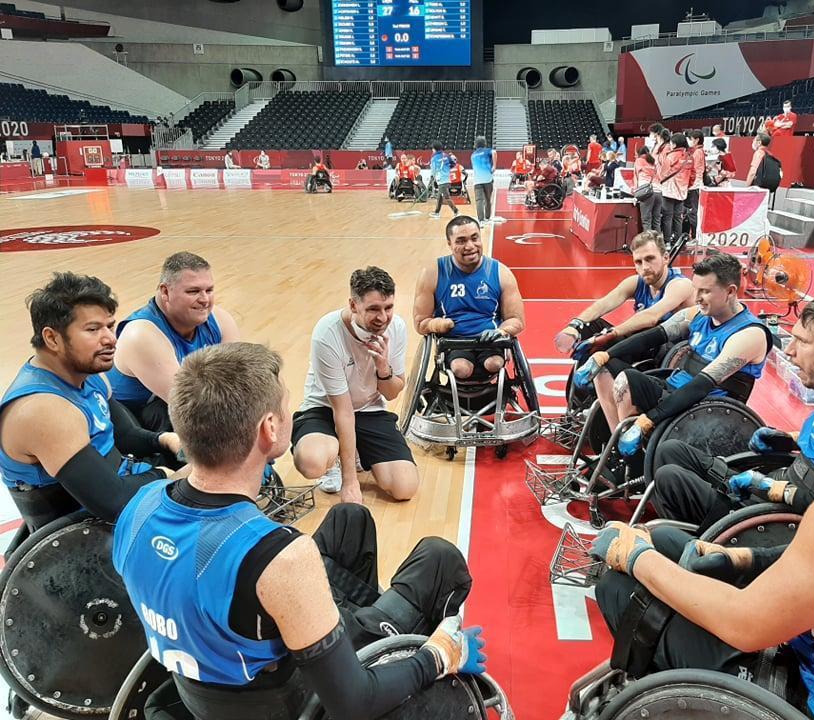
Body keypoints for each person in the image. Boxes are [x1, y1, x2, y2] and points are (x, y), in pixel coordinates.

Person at [590, 283, 814, 720]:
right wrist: (747, 558)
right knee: (672, 543)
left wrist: (635, 558)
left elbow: (746, 625)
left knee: (622, 583)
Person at [113, 342, 485, 720]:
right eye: (286, 405)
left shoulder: (139, 506)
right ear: (269, 428)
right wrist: (438, 655)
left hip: (207, 691)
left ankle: (362, 624)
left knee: (349, 519)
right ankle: (389, 641)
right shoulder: (280, 558)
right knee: (439, 559)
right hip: (300, 700)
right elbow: (354, 703)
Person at [650, 295, 814, 532]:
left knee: (671, 481)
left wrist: (777, 489)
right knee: (671, 451)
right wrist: (785, 440)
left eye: (802, 342)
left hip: (777, 517)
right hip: (771, 486)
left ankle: (703, 544)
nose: (789, 350)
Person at [0, 273, 176, 532]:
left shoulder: (88, 375)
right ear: (52, 338)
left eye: (110, 326)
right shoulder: (42, 409)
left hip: (119, 492)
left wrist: (165, 440)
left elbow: (125, 436)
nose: (110, 339)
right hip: (82, 535)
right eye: (93, 329)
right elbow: (112, 502)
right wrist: (167, 475)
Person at [584, 253, 772, 445]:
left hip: (703, 408)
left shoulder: (750, 335)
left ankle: (629, 457)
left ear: (731, 291)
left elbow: (701, 385)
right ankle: (617, 446)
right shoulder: (697, 315)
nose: (697, 298)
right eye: (695, 290)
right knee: (606, 367)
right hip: (674, 390)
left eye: (705, 291)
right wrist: (606, 353)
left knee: (627, 381)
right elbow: (652, 336)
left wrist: (650, 418)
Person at [293, 267, 418, 504]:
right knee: (312, 462)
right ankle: (338, 459)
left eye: (388, 307)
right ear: (353, 305)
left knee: (405, 488)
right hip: (326, 409)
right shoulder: (327, 333)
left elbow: (392, 393)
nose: (382, 317)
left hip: (369, 409)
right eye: (373, 309)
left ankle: (356, 450)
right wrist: (349, 482)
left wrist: (383, 370)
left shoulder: (397, 328)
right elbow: (343, 410)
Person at [108, 252, 240, 434]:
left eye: (209, 290)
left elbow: (238, 384)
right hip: (130, 429)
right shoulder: (141, 334)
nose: (204, 300)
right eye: (193, 291)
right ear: (165, 292)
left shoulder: (219, 319)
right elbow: (192, 408)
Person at [555, 230, 694, 376]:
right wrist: (575, 325)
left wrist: (610, 334)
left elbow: (651, 317)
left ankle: (601, 373)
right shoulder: (636, 282)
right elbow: (603, 304)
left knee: (615, 342)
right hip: (640, 345)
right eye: (638, 262)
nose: (644, 267)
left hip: (666, 351)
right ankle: (586, 385)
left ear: (666, 258)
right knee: (590, 326)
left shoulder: (679, 284)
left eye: (650, 259)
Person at [413, 215, 524, 379]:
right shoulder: (432, 273)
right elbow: (420, 322)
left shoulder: (501, 273)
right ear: (449, 244)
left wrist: (501, 331)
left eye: (474, 238)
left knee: (493, 364)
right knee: (461, 368)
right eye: (461, 241)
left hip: (490, 341)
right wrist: (439, 324)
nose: (470, 246)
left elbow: (517, 320)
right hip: (454, 342)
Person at [659, 133, 692, 245]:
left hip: (669, 190)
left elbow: (663, 173)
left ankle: (667, 241)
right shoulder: (689, 156)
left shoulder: (671, 156)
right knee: (678, 218)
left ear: (675, 143)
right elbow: (692, 175)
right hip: (682, 192)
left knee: (668, 217)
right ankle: (678, 241)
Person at [429, 143, 459, 219]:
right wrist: (447, 169)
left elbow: (433, 169)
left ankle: (456, 211)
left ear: (435, 149)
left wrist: (432, 177)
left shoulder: (434, 158)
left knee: (446, 197)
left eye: (432, 149)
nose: (432, 150)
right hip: (447, 179)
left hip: (441, 180)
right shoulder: (446, 155)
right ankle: (437, 212)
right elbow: (453, 163)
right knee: (439, 197)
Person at [633, 146, 660, 231]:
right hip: (658, 192)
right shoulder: (653, 162)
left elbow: (636, 178)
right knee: (656, 221)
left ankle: (648, 243)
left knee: (646, 220)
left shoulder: (639, 161)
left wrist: (635, 195)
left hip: (647, 192)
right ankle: (658, 243)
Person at [471, 135, 496, 226]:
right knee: (487, 199)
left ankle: (481, 220)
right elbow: (494, 152)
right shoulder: (487, 150)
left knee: (479, 200)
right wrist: (494, 166)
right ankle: (487, 218)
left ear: (476, 144)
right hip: (488, 179)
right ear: (484, 143)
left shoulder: (473, 155)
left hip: (477, 181)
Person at [685, 130, 706, 235]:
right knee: (693, 212)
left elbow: (693, 169)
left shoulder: (697, 152)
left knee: (693, 212)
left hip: (695, 185)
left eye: (691, 139)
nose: (689, 141)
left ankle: (695, 236)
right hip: (696, 184)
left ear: (697, 140)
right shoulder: (699, 151)